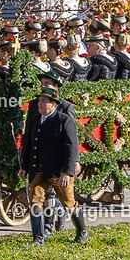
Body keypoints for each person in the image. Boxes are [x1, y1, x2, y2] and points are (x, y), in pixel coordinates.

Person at [18, 86, 87, 246]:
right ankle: (38, 238)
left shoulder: (64, 120)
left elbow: (71, 147)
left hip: (58, 171)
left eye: (44, 101)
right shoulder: (36, 120)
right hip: (39, 170)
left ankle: (82, 232)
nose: (39, 104)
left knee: (69, 204)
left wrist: (68, 173)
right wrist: (25, 167)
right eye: (39, 101)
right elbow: (28, 145)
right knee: (35, 202)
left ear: (53, 104)